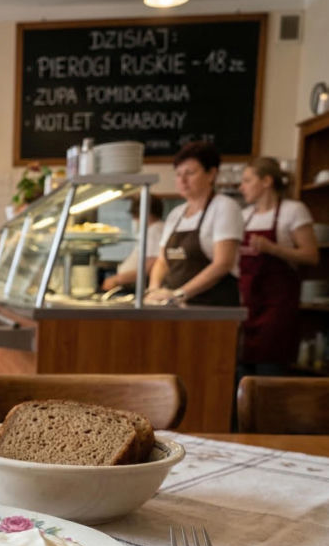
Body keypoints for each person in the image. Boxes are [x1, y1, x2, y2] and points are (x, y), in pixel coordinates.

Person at [238, 157, 319, 375]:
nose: (241, 187)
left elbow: (312, 256)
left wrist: (273, 249)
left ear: (266, 181)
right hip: (247, 306)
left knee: (269, 372)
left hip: (277, 307)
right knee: (241, 373)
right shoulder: (244, 217)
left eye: (247, 180)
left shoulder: (294, 210)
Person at [146, 142, 243, 306]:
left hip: (212, 308)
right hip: (177, 306)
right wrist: (154, 290)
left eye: (190, 173)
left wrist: (180, 294)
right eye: (178, 174)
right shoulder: (175, 214)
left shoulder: (224, 207)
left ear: (211, 174)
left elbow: (223, 263)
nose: (182, 180)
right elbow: (162, 261)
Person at [101, 195, 164, 292]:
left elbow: (149, 265)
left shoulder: (154, 230)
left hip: (138, 285)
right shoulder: (154, 228)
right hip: (134, 283)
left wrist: (116, 279)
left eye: (136, 215)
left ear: (146, 213)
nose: (135, 220)